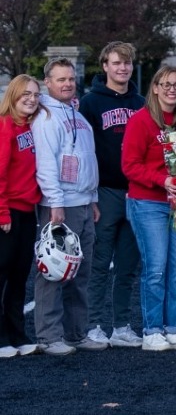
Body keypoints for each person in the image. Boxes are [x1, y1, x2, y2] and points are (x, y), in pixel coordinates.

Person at [122, 66, 176, 352]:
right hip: (148, 203)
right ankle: (152, 330)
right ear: (154, 87)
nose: (172, 89)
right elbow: (129, 165)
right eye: (165, 84)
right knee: (156, 269)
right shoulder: (141, 121)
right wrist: (161, 180)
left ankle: (173, 327)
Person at [32, 59, 101, 354]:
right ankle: (49, 336)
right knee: (54, 270)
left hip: (83, 201)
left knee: (80, 272)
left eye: (71, 78)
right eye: (61, 79)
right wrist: (55, 203)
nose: (67, 83)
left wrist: (93, 197)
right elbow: (46, 164)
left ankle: (76, 333)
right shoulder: (46, 117)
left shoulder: (75, 113)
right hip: (62, 204)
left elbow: (87, 157)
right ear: (47, 82)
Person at [79, 43, 144, 348]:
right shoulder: (91, 103)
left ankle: (121, 325)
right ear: (104, 65)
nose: (122, 68)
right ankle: (92, 324)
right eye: (116, 63)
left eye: (127, 63)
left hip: (137, 191)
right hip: (105, 191)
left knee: (129, 263)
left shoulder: (142, 102)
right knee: (100, 260)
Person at [0, 77, 43, 357]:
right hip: (8, 213)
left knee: (18, 278)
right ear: (13, 95)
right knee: (2, 275)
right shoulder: (5, 127)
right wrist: (2, 210)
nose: (31, 98)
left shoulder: (31, 126)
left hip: (28, 212)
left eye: (36, 94)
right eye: (25, 94)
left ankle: (17, 334)